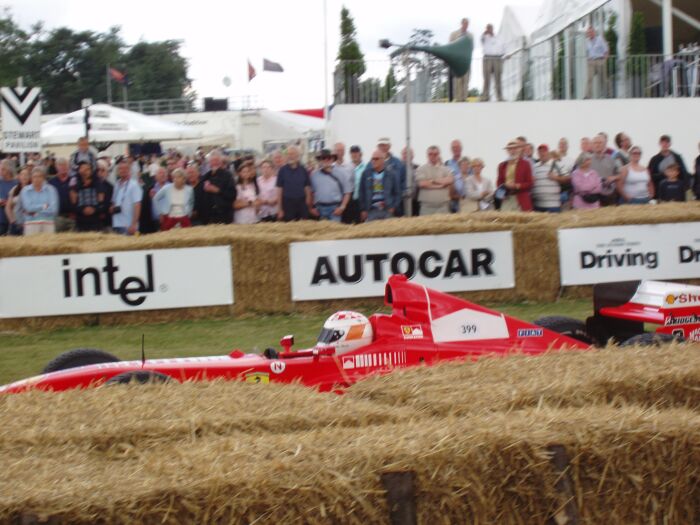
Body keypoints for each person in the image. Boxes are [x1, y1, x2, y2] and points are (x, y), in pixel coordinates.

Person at [309, 149, 352, 222]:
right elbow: (311, 193)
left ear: (332, 159)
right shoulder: (314, 175)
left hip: (335, 208)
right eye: (323, 158)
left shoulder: (342, 173)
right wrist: (311, 208)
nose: (326, 160)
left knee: (335, 232)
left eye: (328, 158)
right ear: (320, 160)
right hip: (320, 209)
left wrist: (342, 207)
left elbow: (347, 192)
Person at [358, 149, 401, 221]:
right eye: (372, 159)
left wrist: (393, 207)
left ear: (383, 160)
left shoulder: (391, 174)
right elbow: (361, 193)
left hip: (387, 210)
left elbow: (397, 192)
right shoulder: (366, 174)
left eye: (376, 159)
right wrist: (363, 210)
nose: (373, 161)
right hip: (371, 210)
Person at [20, 166, 59, 235]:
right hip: (31, 224)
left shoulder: (51, 189)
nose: (37, 179)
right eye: (34, 177)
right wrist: (44, 206)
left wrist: (35, 213)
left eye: (39, 176)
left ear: (43, 178)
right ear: (31, 178)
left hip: (48, 223)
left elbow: (53, 210)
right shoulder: (25, 190)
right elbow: (28, 208)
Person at [416, 146, 454, 215]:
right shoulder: (421, 169)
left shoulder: (446, 169)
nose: (433, 156)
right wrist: (441, 186)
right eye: (430, 154)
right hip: (427, 208)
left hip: (443, 207)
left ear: (439, 155)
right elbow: (422, 184)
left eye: (435, 154)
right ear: (427, 155)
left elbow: (450, 180)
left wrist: (432, 180)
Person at [276, 146, 312, 221]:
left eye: (292, 154)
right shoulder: (282, 170)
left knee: (303, 226)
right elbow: (279, 190)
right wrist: (280, 209)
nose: (290, 156)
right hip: (287, 204)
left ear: (298, 156)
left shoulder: (303, 170)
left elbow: (307, 187)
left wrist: (308, 201)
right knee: (290, 228)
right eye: (288, 154)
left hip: (301, 203)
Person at [200, 149, 236, 225]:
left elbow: (232, 194)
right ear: (209, 163)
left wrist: (218, 191)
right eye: (212, 161)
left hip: (224, 215)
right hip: (209, 216)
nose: (214, 163)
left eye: (217, 160)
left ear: (220, 162)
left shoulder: (228, 176)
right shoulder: (205, 177)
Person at [496, 140, 533, 211]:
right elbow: (499, 182)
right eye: (510, 149)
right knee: (505, 220)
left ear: (519, 150)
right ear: (507, 151)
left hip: (521, 198)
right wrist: (504, 187)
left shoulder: (526, 164)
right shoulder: (502, 165)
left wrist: (517, 186)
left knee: (522, 221)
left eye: (515, 148)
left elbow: (530, 183)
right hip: (507, 198)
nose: (513, 151)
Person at [70, 161, 106, 232]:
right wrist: (82, 210)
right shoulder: (74, 184)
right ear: (79, 170)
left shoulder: (98, 184)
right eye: (83, 169)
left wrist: (94, 210)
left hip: (95, 221)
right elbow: (72, 204)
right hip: (80, 221)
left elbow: (103, 203)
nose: (85, 171)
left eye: (87, 169)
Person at [110, 157, 142, 235]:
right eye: (120, 169)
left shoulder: (134, 185)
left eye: (125, 168)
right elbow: (114, 201)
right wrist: (112, 207)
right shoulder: (117, 184)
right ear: (117, 171)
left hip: (128, 225)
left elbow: (137, 205)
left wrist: (134, 224)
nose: (123, 170)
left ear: (129, 170)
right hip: (116, 223)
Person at [532, 145, 568, 213]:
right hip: (537, 205)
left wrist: (556, 178)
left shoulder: (556, 164)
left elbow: (568, 178)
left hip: (553, 206)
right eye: (540, 152)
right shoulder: (535, 166)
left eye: (544, 151)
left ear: (548, 152)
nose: (542, 153)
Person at [590, 133, 619, 205]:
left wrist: (614, 177)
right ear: (592, 145)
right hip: (592, 195)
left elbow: (620, 174)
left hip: (609, 194)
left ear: (605, 144)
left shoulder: (612, 159)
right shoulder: (587, 160)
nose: (597, 145)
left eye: (600, 143)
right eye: (595, 143)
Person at [48, 157, 75, 232]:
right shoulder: (51, 182)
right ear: (56, 167)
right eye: (60, 165)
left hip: (72, 216)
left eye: (65, 165)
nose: (63, 167)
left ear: (69, 167)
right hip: (57, 217)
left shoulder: (74, 180)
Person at [449, 18, 473, 102]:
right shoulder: (454, 34)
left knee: (466, 80)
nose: (466, 25)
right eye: (465, 23)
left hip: (466, 61)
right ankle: (458, 98)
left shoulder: (470, 35)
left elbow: (471, 47)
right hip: (457, 61)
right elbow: (450, 46)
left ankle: (464, 98)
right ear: (461, 24)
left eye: (467, 24)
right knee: (457, 81)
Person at [481, 23, 505, 101]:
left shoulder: (498, 37)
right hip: (487, 58)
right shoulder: (484, 37)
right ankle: (485, 96)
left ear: (492, 29)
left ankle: (499, 96)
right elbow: (481, 39)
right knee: (486, 78)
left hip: (497, 58)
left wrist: (503, 55)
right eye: (488, 28)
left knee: (498, 78)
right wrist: (485, 33)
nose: (489, 29)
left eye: (490, 28)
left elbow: (502, 47)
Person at [584, 26, 609, 99]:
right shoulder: (587, 41)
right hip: (591, 61)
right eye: (588, 32)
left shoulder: (600, 39)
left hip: (600, 60)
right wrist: (588, 59)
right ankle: (587, 96)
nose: (590, 34)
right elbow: (588, 52)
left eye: (591, 32)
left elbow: (606, 50)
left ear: (594, 32)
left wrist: (604, 60)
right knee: (589, 78)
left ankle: (608, 94)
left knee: (603, 79)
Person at [5, 167, 30, 235]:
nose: (24, 177)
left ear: (29, 176)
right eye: (22, 174)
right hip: (16, 223)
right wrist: (12, 221)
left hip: (29, 223)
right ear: (19, 176)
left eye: (26, 174)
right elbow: (8, 207)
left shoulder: (33, 189)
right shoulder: (14, 189)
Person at [444, 139, 466, 213]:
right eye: (454, 147)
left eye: (458, 147)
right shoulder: (447, 164)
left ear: (461, 148)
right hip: (452, 202)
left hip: (465, 201)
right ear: (451, 150)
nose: (456, 149)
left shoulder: (467, 163)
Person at [345, 145, 365, 224]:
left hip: (360, 201)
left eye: (356, 152)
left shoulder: (366, 168)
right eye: (352, 153)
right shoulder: (345, 168)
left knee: (360, 224)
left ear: (360, 154)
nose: (354, 155)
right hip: (348, 201)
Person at [0, 159, 17, 235]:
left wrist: (9, 203)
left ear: (9, 170)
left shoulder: (17, 183)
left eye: (3, 169)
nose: (0, 170)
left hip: (14, 219)